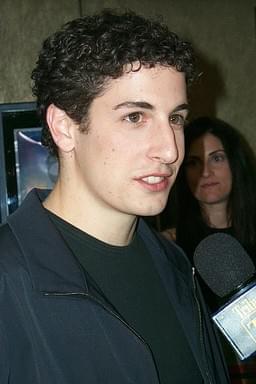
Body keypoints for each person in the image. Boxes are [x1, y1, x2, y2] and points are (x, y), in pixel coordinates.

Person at [0, 10, 229, 384]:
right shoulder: (7, 282)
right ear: (65, 127)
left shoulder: (174, 262)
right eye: (136, 117)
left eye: (176, 119)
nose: (170, 151)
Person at [162, 116, 256, 382]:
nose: (205, 172)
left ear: (235, 164)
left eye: (216, 158)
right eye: (194, 162)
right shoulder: (169, 248)